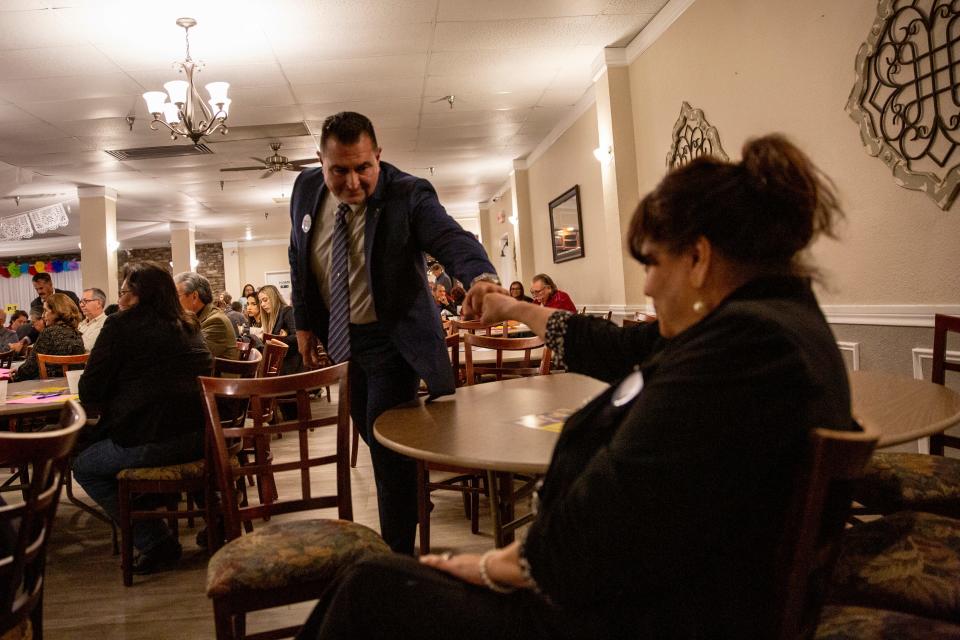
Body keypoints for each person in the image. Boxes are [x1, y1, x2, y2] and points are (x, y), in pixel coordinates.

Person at [298, 135, 855, 639]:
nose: (647, 284)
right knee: (377, 584)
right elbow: (615, 350)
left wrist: (495, 564)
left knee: (370, 587)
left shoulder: (742, 351)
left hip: (631, 617)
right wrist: (515, 307)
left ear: (699, 258)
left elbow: (602, 519)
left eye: (653, 263)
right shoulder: (766, 326)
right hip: (658, 592)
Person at [288, 111, 498, 554]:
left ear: (378, 156)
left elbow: (451, 237)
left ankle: (398, 559)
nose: (352, 182)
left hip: (392, 341)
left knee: (385, 450)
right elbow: (298, 253)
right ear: (319, 162)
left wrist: (479, 276)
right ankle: (410, 492)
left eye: (363, 168)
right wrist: (304, 323)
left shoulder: (408, 194)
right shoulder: (305, 188)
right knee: (369, 429)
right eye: (338, 171)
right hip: (343, 339)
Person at [73, 262, 213, 574]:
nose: (119, 299)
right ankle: (206, 521)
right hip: (199, 437)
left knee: (85, 465)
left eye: (123, 292)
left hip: (151, 441)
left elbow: (89, 391)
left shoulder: (120, 325)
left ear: (137, 295)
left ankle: (154, 540)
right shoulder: (189, 324)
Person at [10, 293, 84, 381]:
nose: (42, 315)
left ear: (56, 312)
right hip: (74, 386)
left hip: (50, 387)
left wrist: (15, 374)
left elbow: (31, 367)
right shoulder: (77, 333)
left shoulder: (49, 332)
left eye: (45, 311)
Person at [174, 272, 239, 360]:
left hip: (213, 373)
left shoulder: (216, 321)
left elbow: (189, 355)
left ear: (194, 297)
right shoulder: (202, 316)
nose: (173, 302)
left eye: (176, 297)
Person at [257, 284, 301, 375]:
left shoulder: (287, 311)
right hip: (280, 362)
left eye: (265, 300)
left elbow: (298, 336)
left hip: (292, 363)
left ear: (274, 298)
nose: (262, 305)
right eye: (261, 301)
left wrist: (278, 339)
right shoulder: (272, 317)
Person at [78, 287, 107, 351]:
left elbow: (87, 347)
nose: (81, 305)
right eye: (80, 301)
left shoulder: (105, 323)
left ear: (99, 303)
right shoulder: (81, 323)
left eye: (85, 301)